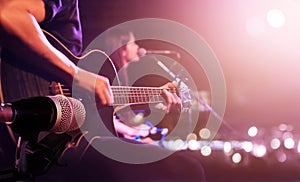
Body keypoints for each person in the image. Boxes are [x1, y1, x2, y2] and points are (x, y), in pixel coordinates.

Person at [0, 1, 206, 181]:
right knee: (187, 169)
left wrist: (152, 97)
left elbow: (89, 99)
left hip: (49, 146)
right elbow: (8, 13)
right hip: (26, 115)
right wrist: (77, 74)